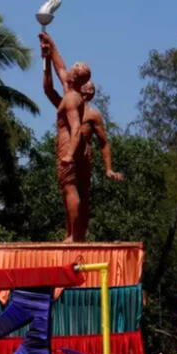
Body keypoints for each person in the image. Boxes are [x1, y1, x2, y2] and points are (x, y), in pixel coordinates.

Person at [40, 32, 121, 242]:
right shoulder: (70, 96)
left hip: (74, 150)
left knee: (72, 191)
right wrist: (49, 51)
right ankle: (73, 234)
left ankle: (75, 237)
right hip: (78, 151)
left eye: (74, 69)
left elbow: (88, 134)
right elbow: (55, 77)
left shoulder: (75, 103)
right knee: (77, 195)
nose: (69, 70)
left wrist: (69, 154)